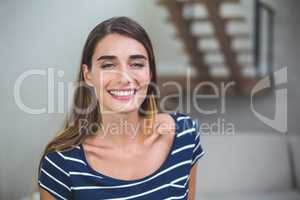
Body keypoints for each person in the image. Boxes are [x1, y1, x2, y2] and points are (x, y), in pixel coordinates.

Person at [38, 16, 205, 200]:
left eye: (137, 64)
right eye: (108, 65)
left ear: (150, 73)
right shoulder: (61, 164)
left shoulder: (184, 134)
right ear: (88, 74)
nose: (124, 78)